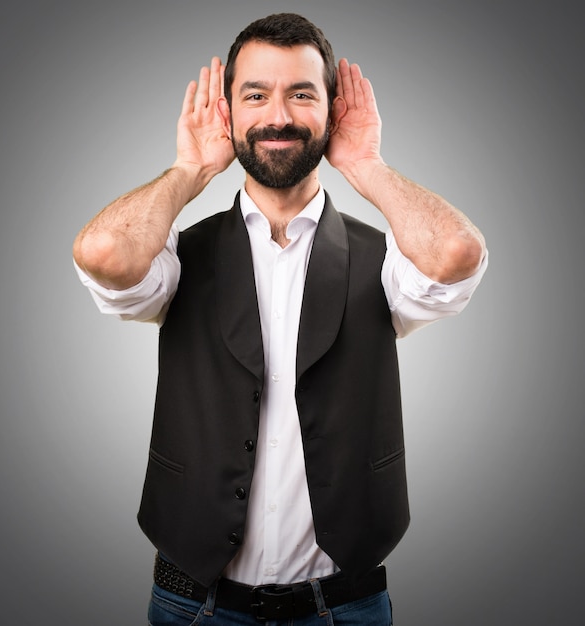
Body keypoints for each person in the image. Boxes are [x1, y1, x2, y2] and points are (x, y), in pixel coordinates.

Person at [73, 12, 487, 626]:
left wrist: (367, 165)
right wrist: (190, 171)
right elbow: (103, 252)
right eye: (256, 95)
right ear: (228, 110)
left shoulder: (384, 262)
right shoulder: (179, 257)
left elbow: (457, 254)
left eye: (302, 94)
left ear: (332, 108)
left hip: (345, 603)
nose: (279, 117)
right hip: (195, 604)